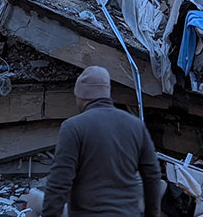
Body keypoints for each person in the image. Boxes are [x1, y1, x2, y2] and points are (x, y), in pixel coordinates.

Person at [42, 66, 161, 217]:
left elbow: (59, 183)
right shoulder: (136, 125)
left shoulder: (73, 127)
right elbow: (152, 176)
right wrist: (152, 214)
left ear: (80, 95)